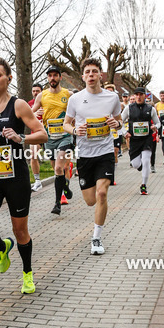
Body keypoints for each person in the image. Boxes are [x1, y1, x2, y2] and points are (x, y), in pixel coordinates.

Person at [0, 57, 46, 293]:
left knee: (20, 231)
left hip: (16, 178)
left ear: (8, 78)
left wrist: (20, 138)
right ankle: (2, 247)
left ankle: (27, 273)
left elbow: (42, 134)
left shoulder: (19, 105)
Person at [63, 58, 123, 255]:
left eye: (94, 71)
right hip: (85, 154)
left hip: (105, 152)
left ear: (100, 75)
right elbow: (66, 123)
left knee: (102, 194)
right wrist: (75, 130)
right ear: (83, 76)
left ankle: (96, 238)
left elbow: (119, 120)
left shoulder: (112, 97)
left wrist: (117, 125)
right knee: (90, 200)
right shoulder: (75, 99)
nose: (91, 75)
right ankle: (97, 215)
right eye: (87, 72)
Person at [32, 65, 74, 216]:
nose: (52, 78)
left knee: (59, 167)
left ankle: (57, 204)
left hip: (65, 136)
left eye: (55, 75)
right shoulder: (41, 96)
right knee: (57, 170)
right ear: (47, 78)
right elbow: (29, 114)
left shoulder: (68, 94)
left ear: (60, 77)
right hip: (49, 138)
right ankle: (66, 187)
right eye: (50, 75)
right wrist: (36, 112)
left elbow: (76, 111)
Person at [122, 87, 159, 195]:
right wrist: (125, 132)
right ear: (134, 96)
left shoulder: (150, 108)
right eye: (136, 95)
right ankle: (144, 169)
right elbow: (119, 122)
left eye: (141, 95)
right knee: (135, 164)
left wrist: (155, 127)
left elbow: (158, 123)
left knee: (146, 160)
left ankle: (144, 185)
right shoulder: (129, 108)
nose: (138, 97)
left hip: (146, 139)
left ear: (145, 96)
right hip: (134, 140)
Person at [28, 83, 44, 192]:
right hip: (35, 133)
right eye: (33, 91)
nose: (35, 93)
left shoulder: (47, 100)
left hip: (49, 133)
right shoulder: (29, 104)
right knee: (33, 155)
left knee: (56, 158)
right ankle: (37, 181)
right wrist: (34, 113)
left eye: (37, 91)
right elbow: (26, 118)